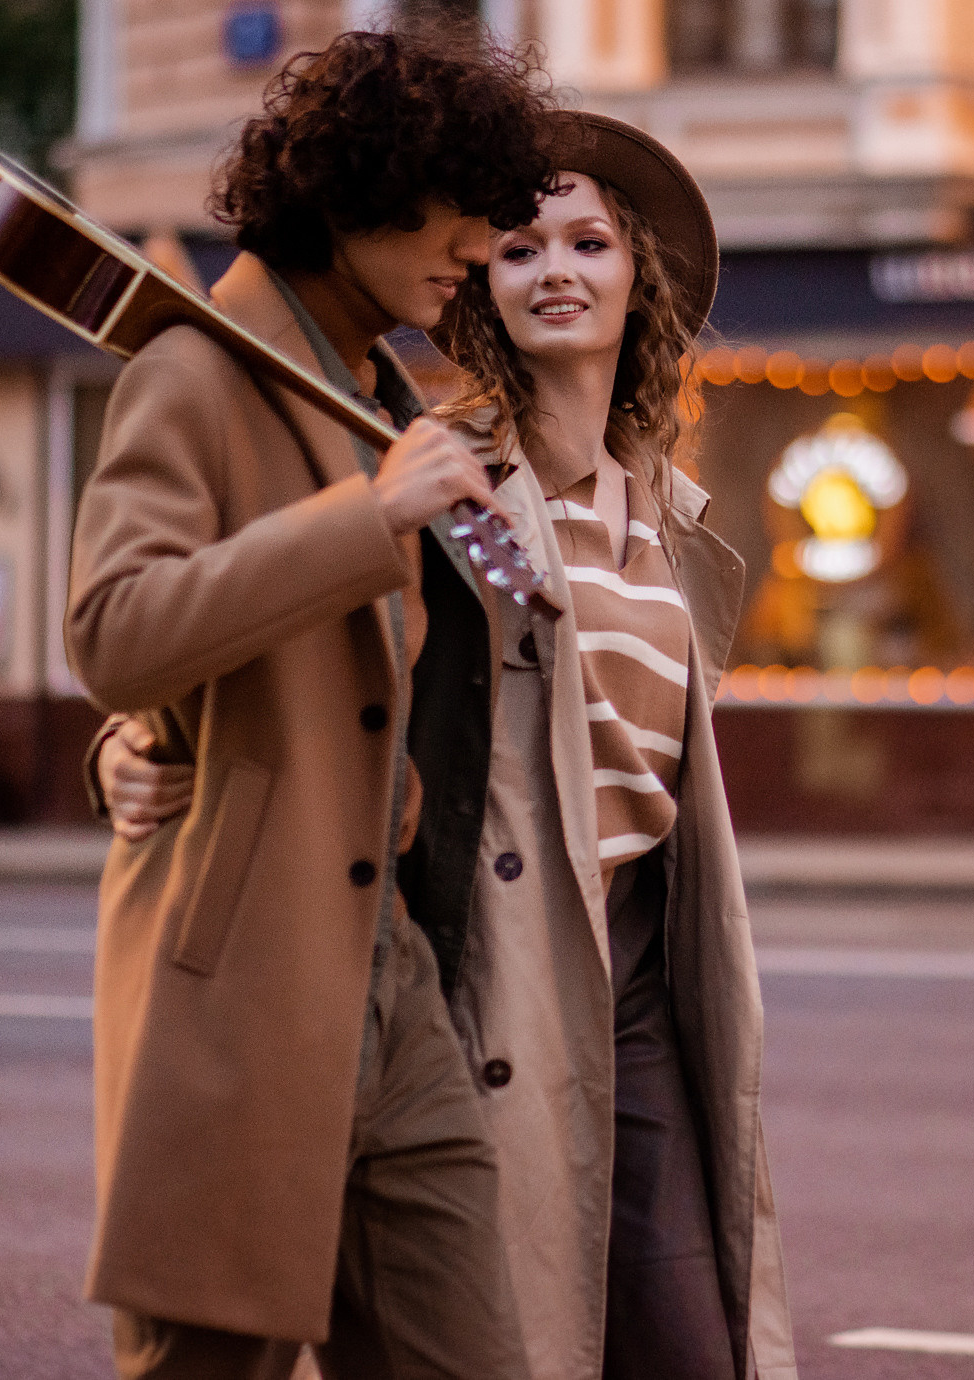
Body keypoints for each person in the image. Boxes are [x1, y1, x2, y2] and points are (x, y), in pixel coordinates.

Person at [104, 114, 799, 1380]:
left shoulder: (677, 528)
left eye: (588, 243)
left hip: (644, 965)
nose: (554, 272)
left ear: (638, 280)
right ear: (480, 278)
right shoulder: (445, 479)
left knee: (692, 1346)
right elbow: (314, 648)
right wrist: (134, 740)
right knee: (509, 1332)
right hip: (496, 956)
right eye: (521, 247)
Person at [64, 19, 554, 1380]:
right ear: (356, 195)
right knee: (207, 1361)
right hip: (248, 975)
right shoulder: (196, 371)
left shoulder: (391, 396)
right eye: (456, 212)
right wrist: (366, 514)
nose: (478, 245)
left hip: (390, 974)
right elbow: (114, 631)